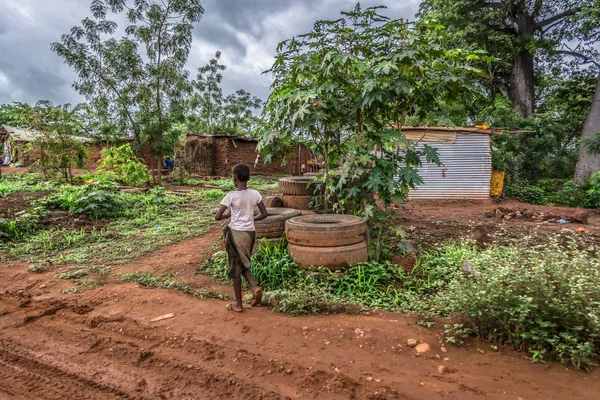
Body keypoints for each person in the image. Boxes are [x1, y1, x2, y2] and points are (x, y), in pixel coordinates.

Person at [215, 163, 268, 312]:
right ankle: (254, 286)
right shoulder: (255, 194)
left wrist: (230, 214)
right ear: (248, 177)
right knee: (242, 262)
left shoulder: (231, 196)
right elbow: (264, 214)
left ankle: (238, 304)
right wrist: (250, 218)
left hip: (236, 233)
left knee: (235, 269)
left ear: (235, 178)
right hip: (250, 233)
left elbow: (217, 216)